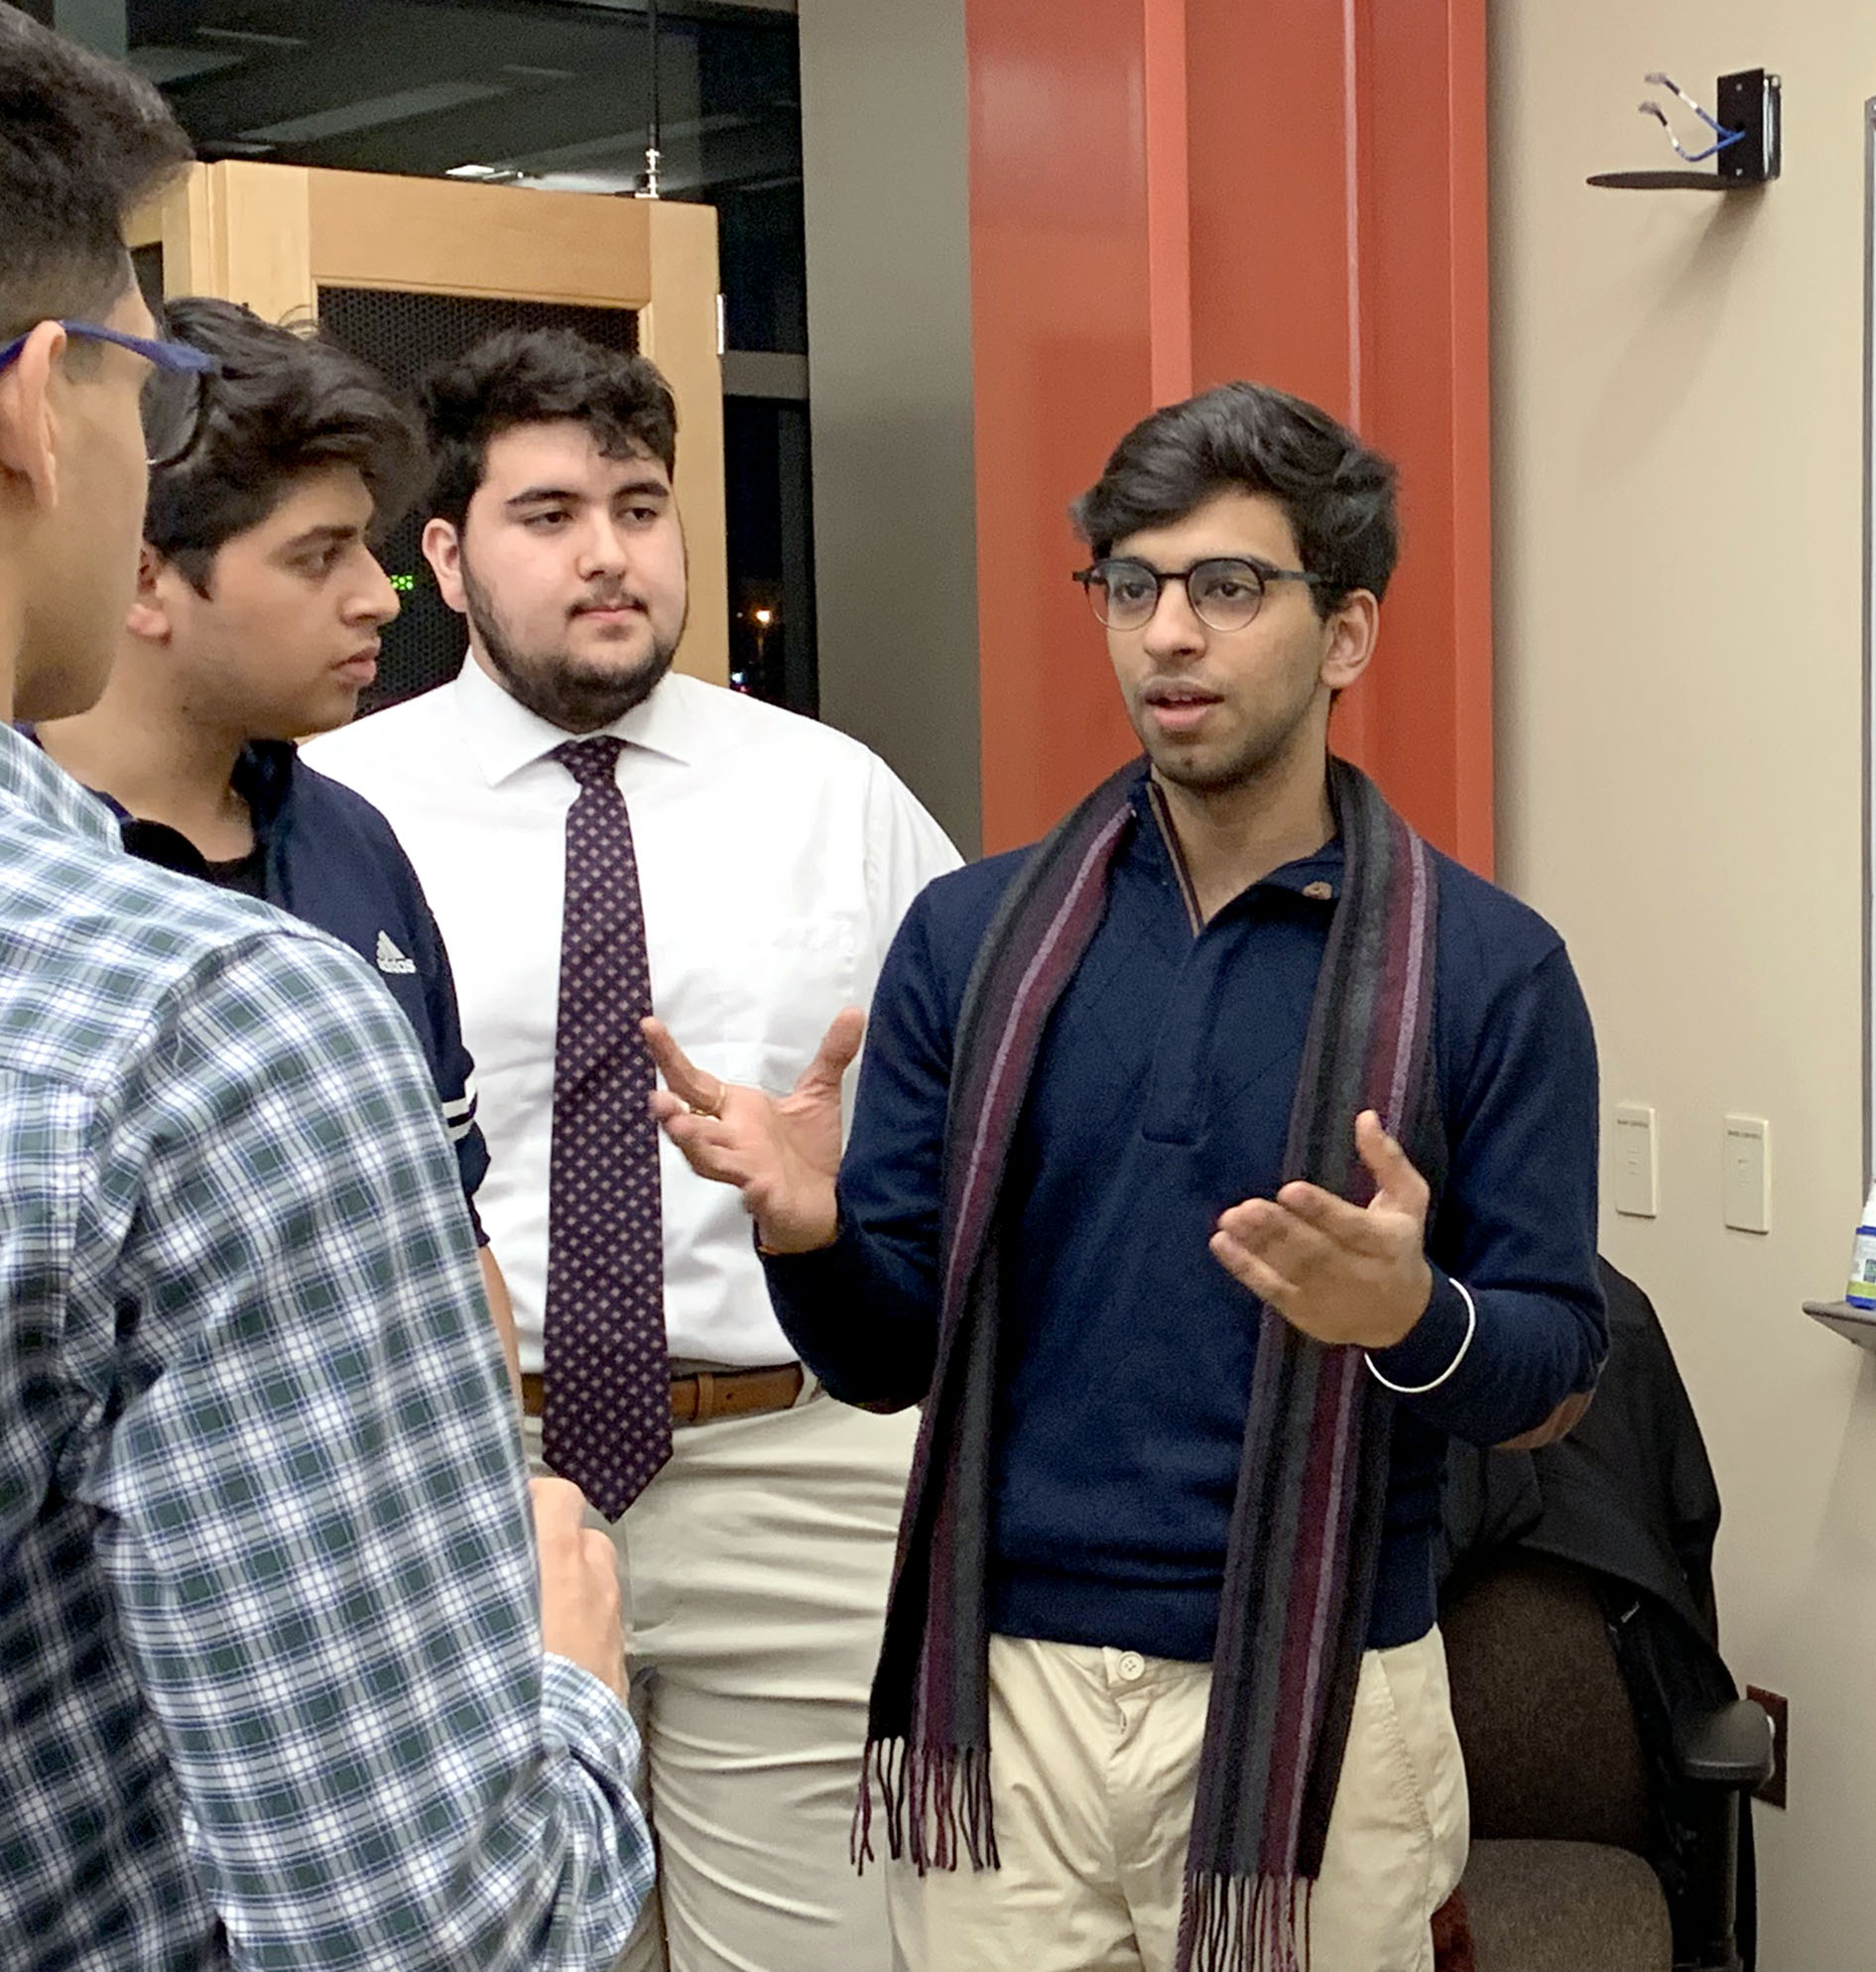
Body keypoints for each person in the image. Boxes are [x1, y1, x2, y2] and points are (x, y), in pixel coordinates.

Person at [644, 381, 1607, 1972]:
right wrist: (810, 1234)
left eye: (1228, 587)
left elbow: (1554, 1378)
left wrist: (1411, 1316)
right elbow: (887, 1361)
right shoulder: (974, 940)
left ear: (1347, 632)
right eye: (1131, 585)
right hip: (1002, 1691)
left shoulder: (1487, 972)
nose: (1169, 634)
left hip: (1325, 1700)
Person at [0, 14, 648, 1968]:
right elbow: (428, 1930)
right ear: (40, 407)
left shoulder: (343, 864)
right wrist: (561, 1686)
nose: (375, 598)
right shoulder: (203, 1035)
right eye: (150, 377)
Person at [305, 326, 965, 1972]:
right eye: (547, 514)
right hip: (464, 1480)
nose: (609, 552)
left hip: (794, 1466)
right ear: (446, 556)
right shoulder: (330, 810)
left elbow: (972, 1135)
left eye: (641, 503)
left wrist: (865, 1200)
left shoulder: (838, 796)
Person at [33, 294, 518, 1371]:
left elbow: (450, 1233)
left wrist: (508, 1491)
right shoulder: (34, 879)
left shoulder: (355, 847)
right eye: (317, 555)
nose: (377, 600)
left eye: (369, 548)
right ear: (146, 577)